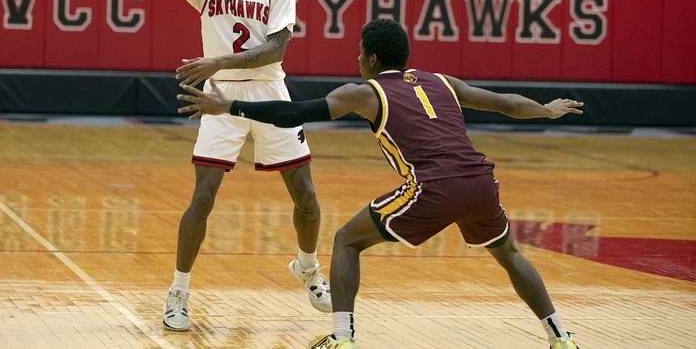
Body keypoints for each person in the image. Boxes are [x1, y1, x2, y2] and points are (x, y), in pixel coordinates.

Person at [177, 19, 583, 349]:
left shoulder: (365, 93)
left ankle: (343, 338)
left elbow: (295, 112)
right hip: (480, 181)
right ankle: (560, 337)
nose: (356, 59)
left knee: (346, 241)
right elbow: (507, 103)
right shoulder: (442, 81)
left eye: (358, 52)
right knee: (509, 253)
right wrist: (546, 111)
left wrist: (229, 105)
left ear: (371, 57)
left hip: (434, 186)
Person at [98, 0, 331, 330]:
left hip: (268, 92)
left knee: (305, 195)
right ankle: (178, 292)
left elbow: (276, 48)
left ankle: (308, 267)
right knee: (202, 197)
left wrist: (217, 62)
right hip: (219, 98)